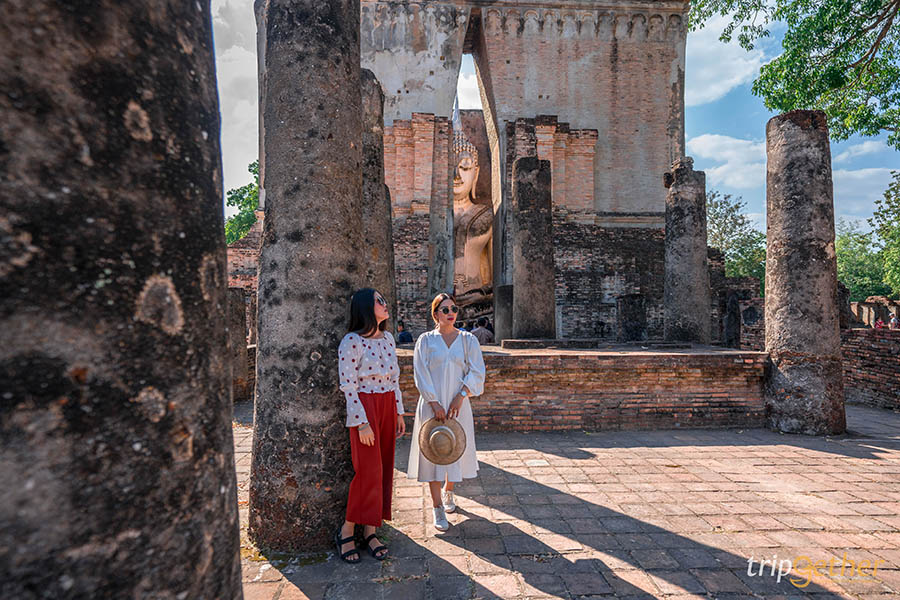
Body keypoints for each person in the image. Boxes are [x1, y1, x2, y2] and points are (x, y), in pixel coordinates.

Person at [335, 288, 406, 563]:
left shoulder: (388, 338)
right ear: (366, 307)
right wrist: (361, 422)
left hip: (387, 404)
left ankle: (371, 531)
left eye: (384, 300)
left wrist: (399, 412)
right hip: (365, 407)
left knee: (385, 467)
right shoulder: (351, 341)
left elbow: (395, 379)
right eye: (379, 301)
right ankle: (347, 530)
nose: (384, 304)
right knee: (367, 472)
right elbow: (348, 386)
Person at [408, 293, 486, 531]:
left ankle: (449, 490)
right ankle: (437, 507)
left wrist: (461, 396)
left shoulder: (468, 340)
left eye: (453, 308)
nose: (451, 312)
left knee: (455, 449)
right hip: (432, 405)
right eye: (445, 309)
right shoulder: (425, 341)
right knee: (432, 452)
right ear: (435, 314)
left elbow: (477, 371)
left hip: (458, 405)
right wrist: (434, 403)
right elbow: (420, 373)